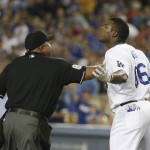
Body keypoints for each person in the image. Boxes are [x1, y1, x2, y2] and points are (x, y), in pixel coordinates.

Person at [0, 30, 98, 150]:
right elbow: (88, 72)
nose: (50, 45)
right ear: (42, 48)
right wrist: (110, 68)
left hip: (8, 121)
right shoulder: (56, 65)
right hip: (30, 123)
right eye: (48, 43)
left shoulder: (13, 65)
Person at [92, 18, 150, 150]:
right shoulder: (139, 53)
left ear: (114, 33)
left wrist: (108, 76)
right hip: (146, 108)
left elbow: (122, 75)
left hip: (129, 111)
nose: (101, 28)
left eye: (106, 26)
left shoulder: (114, 51)